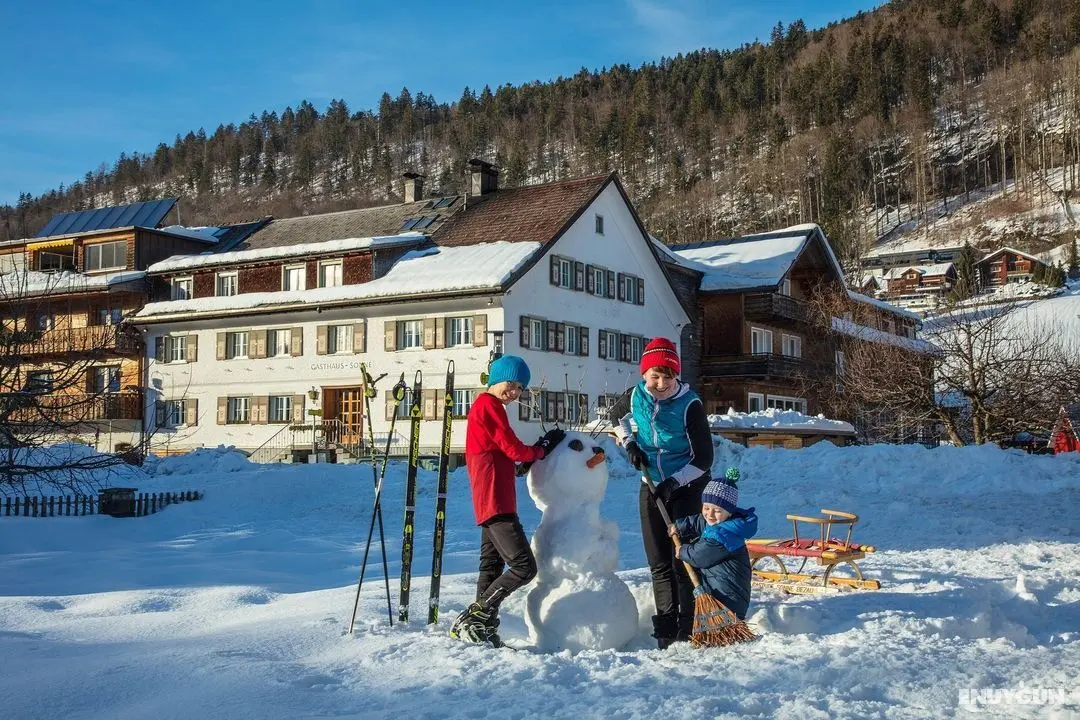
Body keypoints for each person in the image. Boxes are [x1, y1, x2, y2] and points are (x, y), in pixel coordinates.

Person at [450, 354, 565, 646]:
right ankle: (475, 615)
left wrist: (524, 461)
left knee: (491, 566)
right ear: (496, 379)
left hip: (490, 500)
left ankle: (480, 630)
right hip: (496, 501)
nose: (514, 392)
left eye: (520, 388)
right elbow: (512, 447)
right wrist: (541, 449)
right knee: (524, 567)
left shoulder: (485, 407)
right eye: (511, 384)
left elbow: (501, 453)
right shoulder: (488, 406)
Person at [613, 337, 714, 648]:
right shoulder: (635, 396)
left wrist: (674, 482)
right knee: (658, 561)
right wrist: (630, 443)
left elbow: (704, 459)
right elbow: (616, 417)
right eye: (654, 376)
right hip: (651, 484)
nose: (660, 384)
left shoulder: (690, 404)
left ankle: (689, 627)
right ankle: (666, 630)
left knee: (682, 559)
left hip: (687, 485)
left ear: (676, 376)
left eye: (667, 378)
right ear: (644, 374)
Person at [670, 467, 757, 621]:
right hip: (721, 590)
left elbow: (699, 557)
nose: (709, 514)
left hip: (728, 599)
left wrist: (682, 551)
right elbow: (700, 521)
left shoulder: (723, 535)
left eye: (717, 510)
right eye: (706, 508)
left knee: (723, 627)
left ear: (729, 512)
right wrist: (680, 526)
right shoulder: (722, 523)